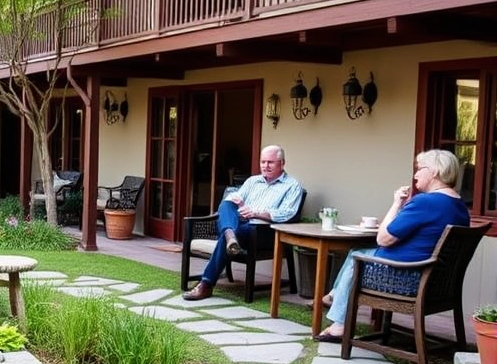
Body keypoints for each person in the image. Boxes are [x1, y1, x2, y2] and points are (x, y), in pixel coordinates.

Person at [314, 149, 470, 342]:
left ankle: (338, 321)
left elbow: (383, 239)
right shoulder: (460, 207)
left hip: (403, 278)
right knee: (359, 252)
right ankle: (335, 296)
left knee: (357, 256)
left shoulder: (426, 202)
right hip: (434, 282)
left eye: (419, 169)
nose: (415, 175)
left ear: (434, 172)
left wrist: (396, 204)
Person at [183, 144, 304, 301]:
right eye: (263, 162)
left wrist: (255, 213)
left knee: (230, 233)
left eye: (270, 162)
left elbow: (288, 213)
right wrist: (239, 205)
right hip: (241, 223)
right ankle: (230, 235)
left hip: (264, 230)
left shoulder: (292, 186)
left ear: (282, 163)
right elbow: (234, 200)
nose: (265, 166)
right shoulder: (253, 181)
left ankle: (206, 283)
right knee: (227, 204)